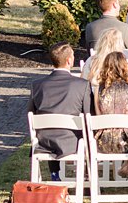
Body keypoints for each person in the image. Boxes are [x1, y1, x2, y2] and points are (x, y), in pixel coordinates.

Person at [28, 44, 93, 177]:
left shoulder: (37, 85)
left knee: (50, 128)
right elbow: (88, 115)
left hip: (44, 141)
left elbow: (31, 113)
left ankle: (54, 173)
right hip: (72, 141)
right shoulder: (82, 85)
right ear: (69, 60)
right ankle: (87, 175)